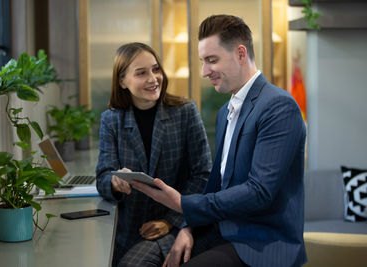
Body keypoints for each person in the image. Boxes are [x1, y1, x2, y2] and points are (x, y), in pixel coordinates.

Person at [132, 15, 307, 267]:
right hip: (220, 231)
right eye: (203, 62)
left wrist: (183, 204)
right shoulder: (225, 112)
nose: (204, 72)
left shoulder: (279, 107)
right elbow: (217, 184)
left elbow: (259, 192)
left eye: (212, 60)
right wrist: (188, 227)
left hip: (260, 243)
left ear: (240, 53)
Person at [96, 42, 212, 267]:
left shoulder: (185, 112)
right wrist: (114, 181)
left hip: (175, 227)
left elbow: (203, 176)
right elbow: (102, 177)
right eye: (141, 73)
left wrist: (171, 221)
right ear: (122, 81)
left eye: (156, 69)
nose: (153, 78)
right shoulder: (111, 120)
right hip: (129, 232)